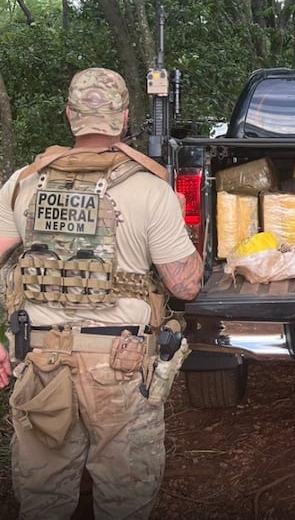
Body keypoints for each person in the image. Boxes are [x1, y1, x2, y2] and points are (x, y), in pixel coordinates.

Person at [0, 67, 203, 519]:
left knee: (41, 500)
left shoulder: (22, 183)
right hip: (120, 365)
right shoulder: (150, 188)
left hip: (38, 361)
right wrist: (197, 255)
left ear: (70, 115)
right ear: (126, 117)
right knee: (124, 500)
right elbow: (184, 286)